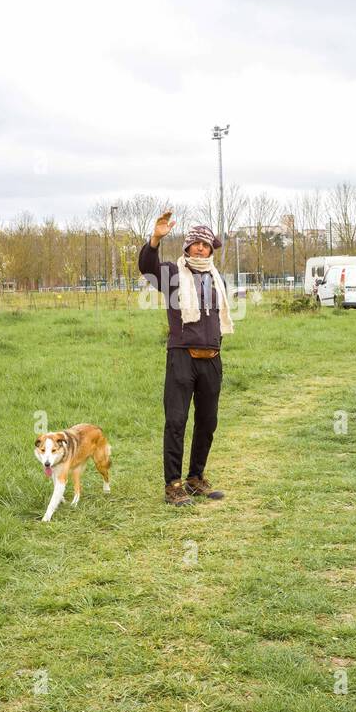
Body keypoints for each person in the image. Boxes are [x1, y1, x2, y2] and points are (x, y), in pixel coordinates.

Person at [138, 210, 234, 506]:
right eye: (196, 244)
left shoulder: (219, 280)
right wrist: (155, 239)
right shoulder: (172, 275)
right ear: (187, 247)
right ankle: (173, 486)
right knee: (176, 420)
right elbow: (147, 268)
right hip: (181, 357)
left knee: (208, 421)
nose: (201, 248)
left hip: (212, 358)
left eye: (206, 244)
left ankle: (195, 478)